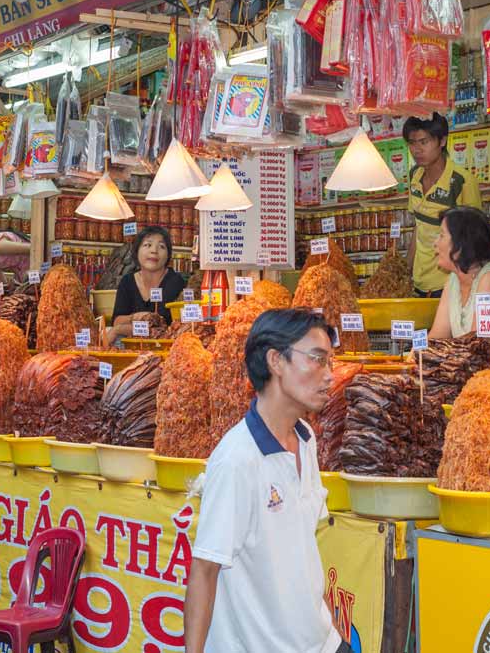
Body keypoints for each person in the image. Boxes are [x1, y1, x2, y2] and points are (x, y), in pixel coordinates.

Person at [185, 309, 351, 653]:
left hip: (321, 642)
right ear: (276, 361)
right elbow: (204, 569)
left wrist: (333, 631)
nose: (329, 376)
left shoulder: (306, 438)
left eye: (330, 362)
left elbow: (302, 550)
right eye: (317, 359)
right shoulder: (236, 459)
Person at [404, 113, 482, 297]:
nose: (416, 150)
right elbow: (419, 227)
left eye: (424, 142)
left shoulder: (461, 181)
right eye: (412, 143)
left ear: (442, 141)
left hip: (449, 283)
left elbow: (475, 239)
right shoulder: (414, 176)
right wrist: (406, 269)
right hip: (419, 282)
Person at [429, 207, 490, 340]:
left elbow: (477, 341)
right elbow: (438, 335)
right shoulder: (453, 279)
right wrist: (417, 350)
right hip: (462, 353)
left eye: (442, 235)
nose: (435, 243)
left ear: (461, 244)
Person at [105, 226, 185, 344]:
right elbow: (117, 321)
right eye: (148, 245)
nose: (154, 251)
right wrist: (135, 317)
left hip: (166, 348)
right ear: (137, 251)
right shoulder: (127, 281)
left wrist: (120, 329)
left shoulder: (176, 282)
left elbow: (165, 329)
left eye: (161, 246)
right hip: (132, 348)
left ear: (168, 255)